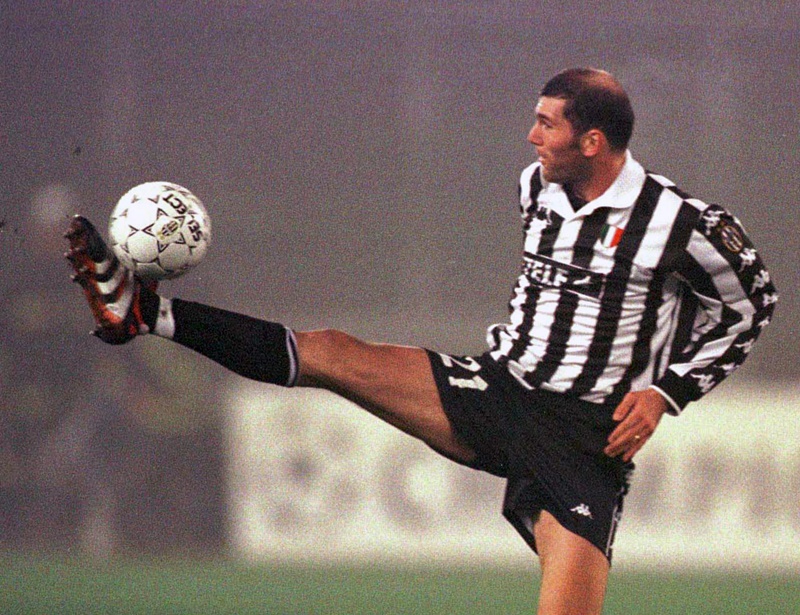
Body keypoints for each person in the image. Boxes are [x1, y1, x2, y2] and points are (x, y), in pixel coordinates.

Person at [65, 67, 777, 615]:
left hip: (584, 441)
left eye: (546, 123)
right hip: (499, 390)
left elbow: (752, 306)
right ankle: (145, 312)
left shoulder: (682, 222)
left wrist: (664, 393)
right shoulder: (537, 185)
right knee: (332, 353)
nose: (531, 136)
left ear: (592, 142)